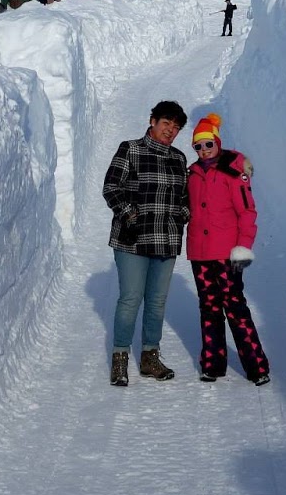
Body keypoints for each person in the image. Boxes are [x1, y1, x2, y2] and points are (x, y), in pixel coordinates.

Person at [102, 100, 191, 386]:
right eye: (166, 124)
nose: (171, 131)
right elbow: (111, 187)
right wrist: (130, 214)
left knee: (157, 302)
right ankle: (120, 359)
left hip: (166, 241)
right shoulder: (130, 149)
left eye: (176, 127)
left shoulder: (179, 159)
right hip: (132, 240)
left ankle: (150, 357)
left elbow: (185, 198)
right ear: (153, 121)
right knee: (130, 300)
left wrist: (181, 216)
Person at [185, 113, 270, 384]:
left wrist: (243, 247)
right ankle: (213, 364)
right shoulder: (193, 174)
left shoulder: (234, 172)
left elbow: (247, 212)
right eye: (198, 146)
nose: (203, 150)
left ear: (217, 142)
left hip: (225, 254)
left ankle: (257, 367)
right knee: (208, 308)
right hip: (199, 254)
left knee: (235, 307)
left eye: (208, 144)